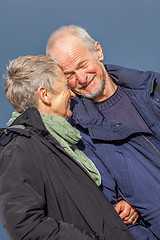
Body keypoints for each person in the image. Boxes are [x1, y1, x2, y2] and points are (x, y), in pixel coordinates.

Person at [0, 55, 135, 240]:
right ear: (45, 95)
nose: (72, 93)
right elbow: (24, 226)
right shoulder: (21, 147)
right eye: (65, 86)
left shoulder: (65, 141)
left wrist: (116, 205)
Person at [46, 25, 160, 239]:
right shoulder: (78, 136)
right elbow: (108, 212)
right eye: (69, 74)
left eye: (83, 64)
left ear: (98, 51)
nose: (81, 78)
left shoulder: (154, 87)